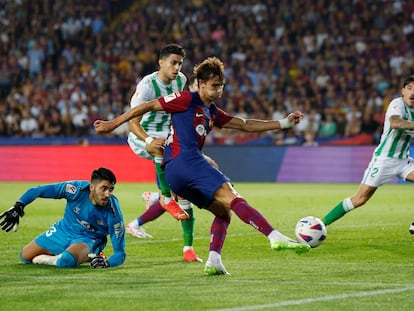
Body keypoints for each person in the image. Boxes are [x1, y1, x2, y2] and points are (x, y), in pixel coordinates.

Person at [94, 57, 310, 275]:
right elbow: (147, 106)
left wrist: (283, 123)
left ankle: (214, 260)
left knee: (223, 212)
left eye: (221, 85)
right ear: (201, 83)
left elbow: (244, 125)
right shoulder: (186, 99)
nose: (219, 90)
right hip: (186, 161)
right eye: (215, 85)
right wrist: (112, 124)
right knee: (232, 196)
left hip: (177, 174)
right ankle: (274, 237)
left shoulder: (212, 111)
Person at [125, 43, 202, 262]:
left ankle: (188, 249)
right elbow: (132, 121)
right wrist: (148, 140)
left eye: (180, 63)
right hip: (143, 136)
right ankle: (164, 197)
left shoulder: (182, 81)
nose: (177, 67)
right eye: (173, 63)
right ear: (161, 62)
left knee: (184, 190)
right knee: (164, 149)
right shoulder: (147, 85)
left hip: (167, 136)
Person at [320, 75, 414, 233]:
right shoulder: (397, 104)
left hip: (403, 161)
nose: (412, 92)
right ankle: (320, 224)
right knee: (360, 199)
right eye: (409, 88)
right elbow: (395, 123)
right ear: (402, 91)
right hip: (384, 160)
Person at [0, 167, 126, 269]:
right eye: (104, 189)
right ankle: (75, 255)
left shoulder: (113, 213)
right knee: (25, 256)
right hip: (63, 230)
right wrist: (18, 206)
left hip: (88, 239)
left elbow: (120, 253)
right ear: (91, 187)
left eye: (111, 189)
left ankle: (75, 256)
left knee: (65, 261)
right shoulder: (75, 190)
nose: (108, 194)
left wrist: (107, 263)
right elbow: (38, 190)